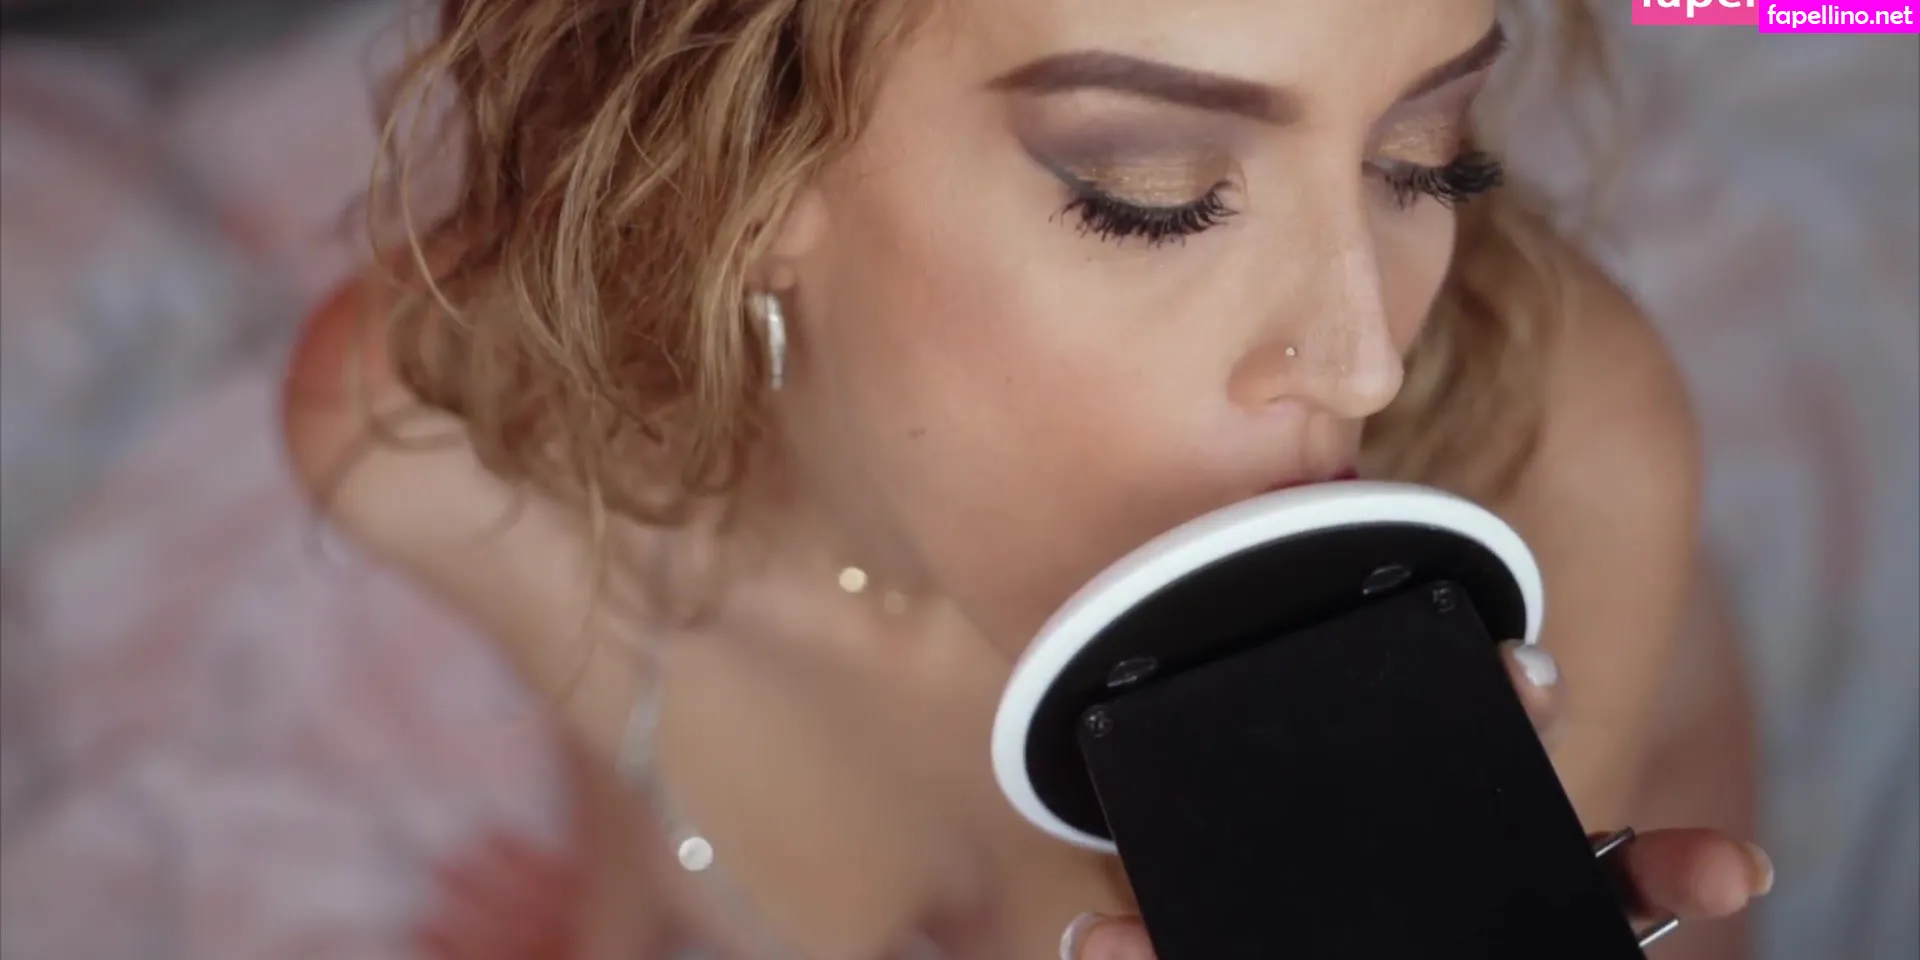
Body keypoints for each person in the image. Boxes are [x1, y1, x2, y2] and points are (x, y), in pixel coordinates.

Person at [283, 0, 1768, 956]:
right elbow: (631, 758)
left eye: (1425, 160)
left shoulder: (1566, 456)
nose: (1362, 360)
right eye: (1153, 200)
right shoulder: (440, 452)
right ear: (743, 161)